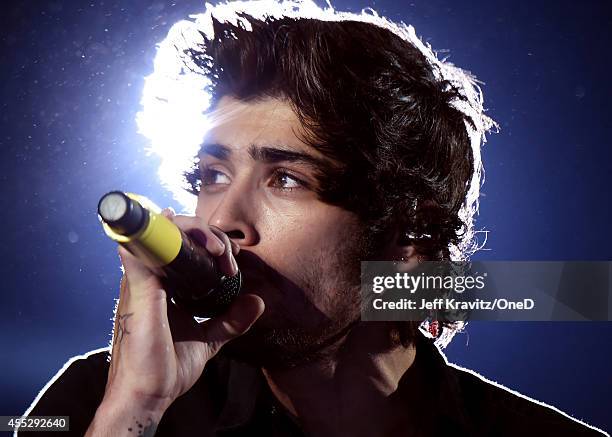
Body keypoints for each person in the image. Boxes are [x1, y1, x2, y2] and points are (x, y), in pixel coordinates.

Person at [19, 1, 607, 436]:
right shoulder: (100, 400)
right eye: (210, 177)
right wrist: (133, 414)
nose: (223, 219)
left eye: (286, 180)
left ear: (409, 240)